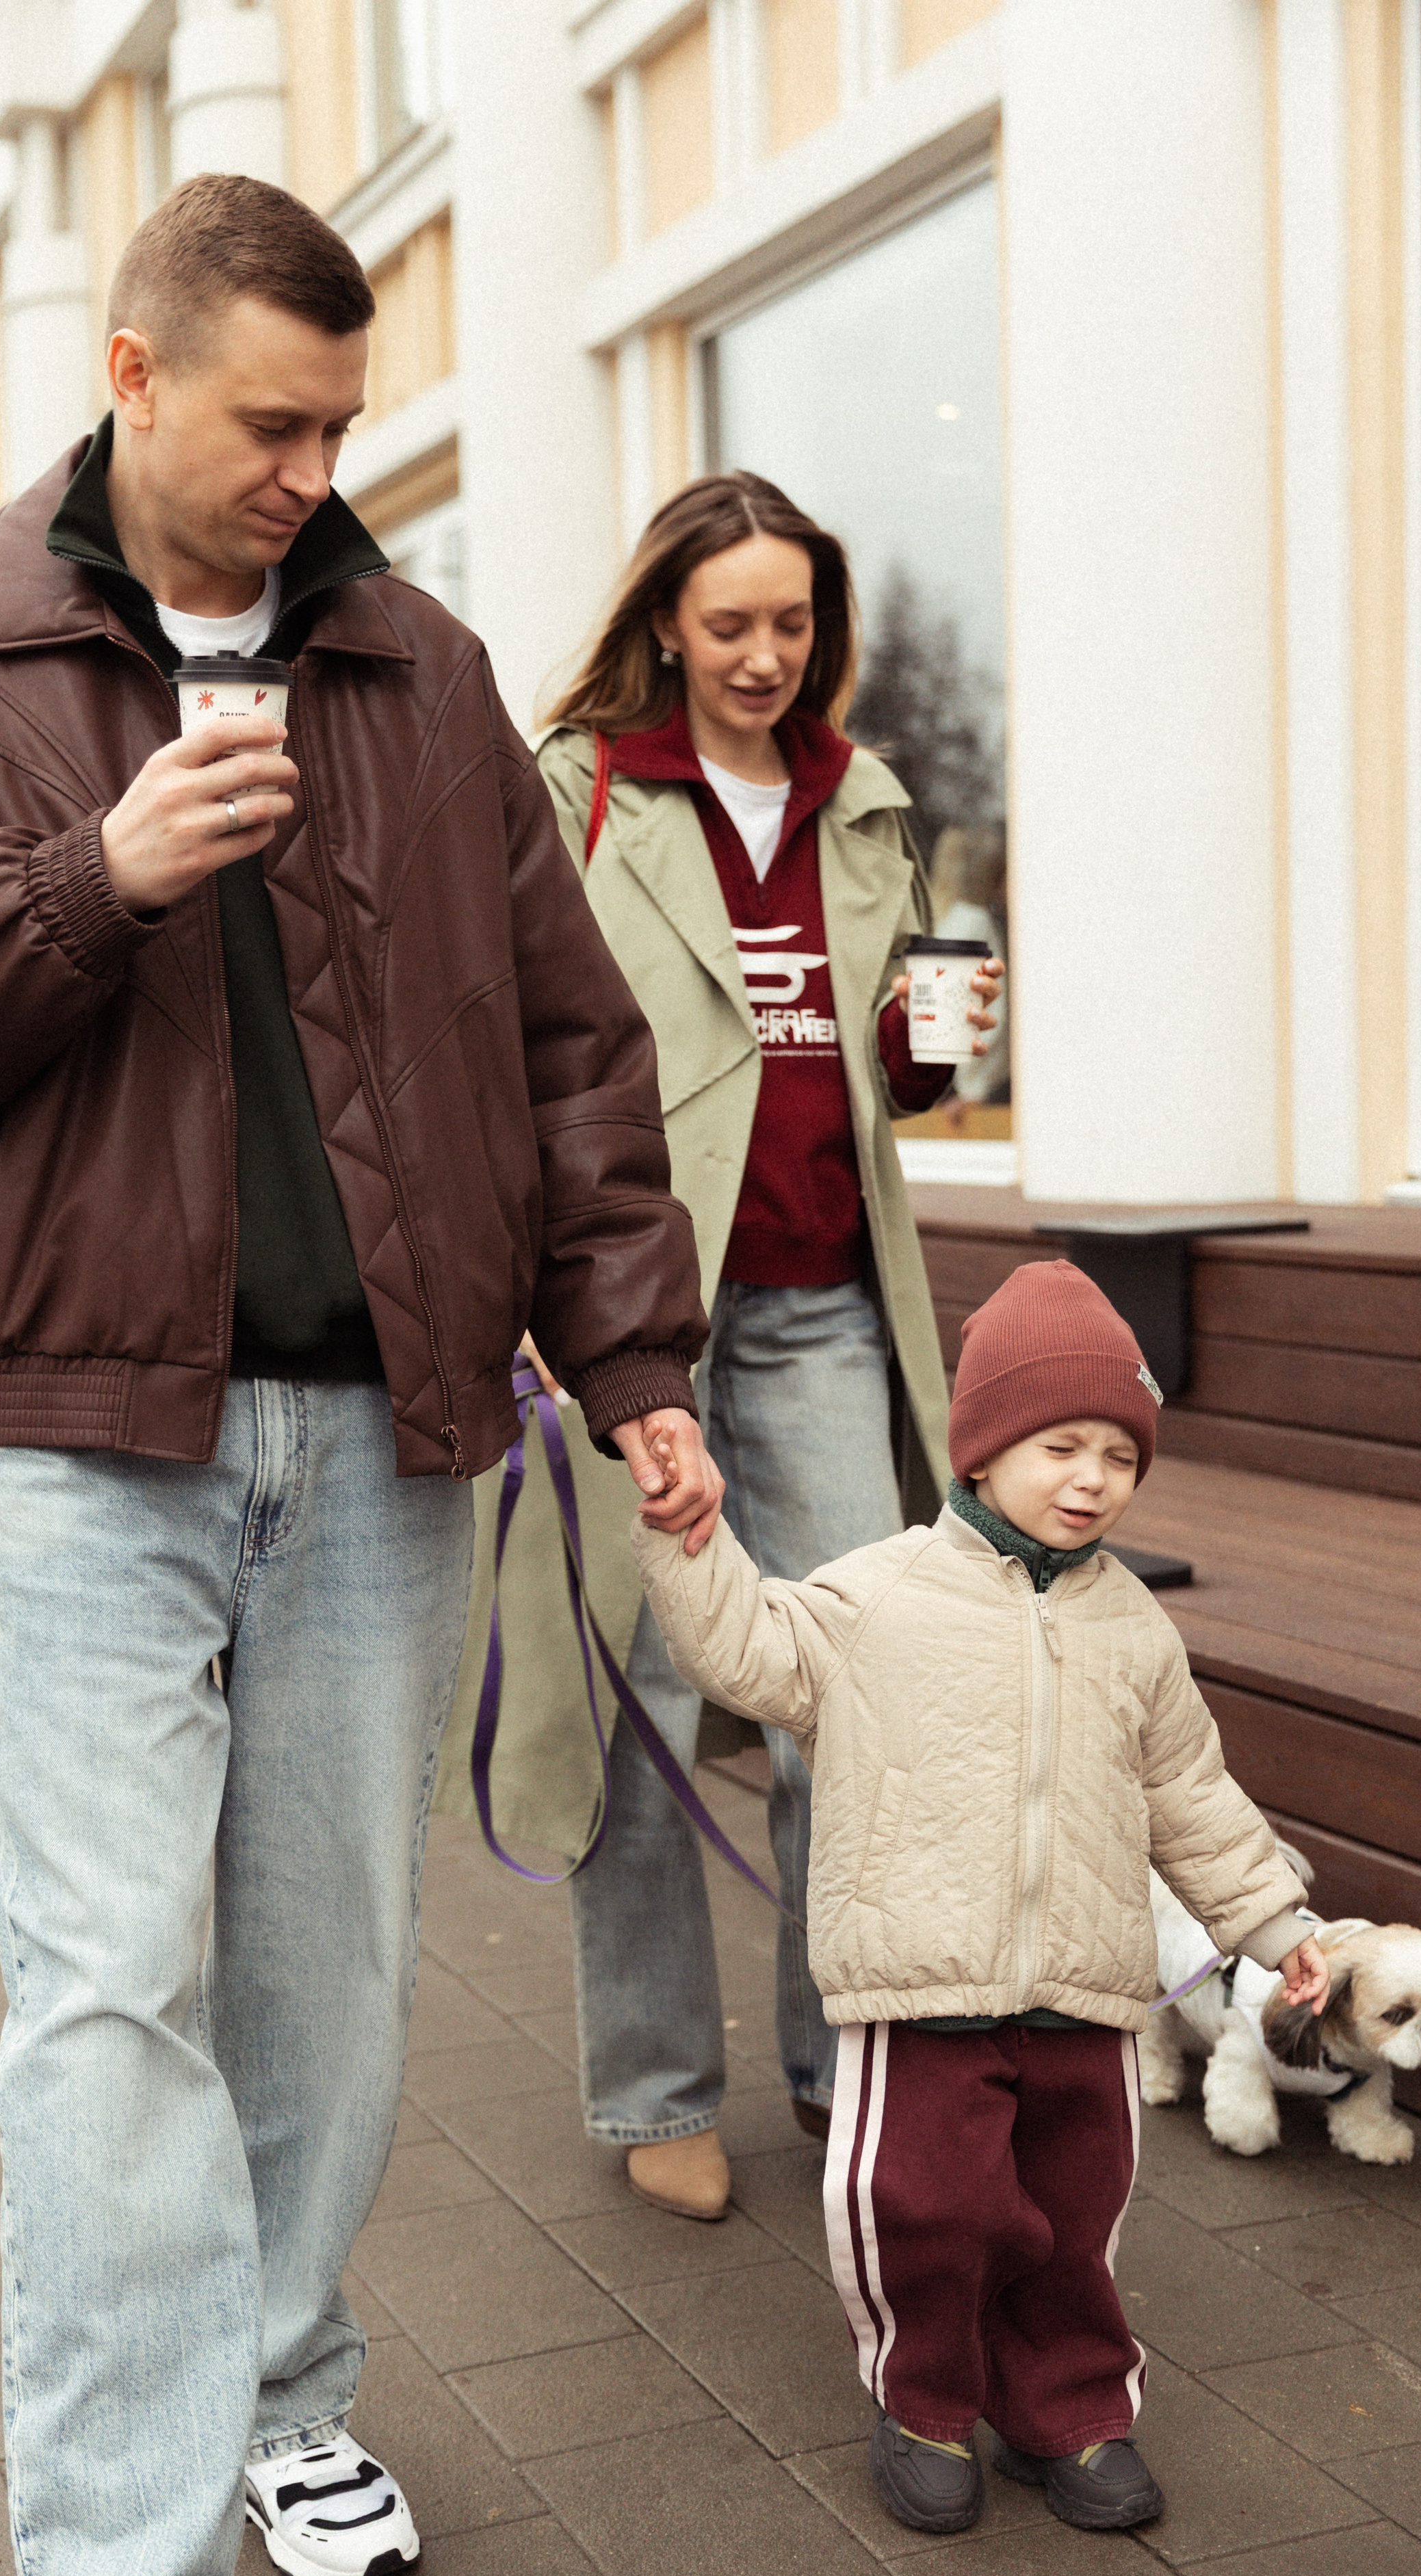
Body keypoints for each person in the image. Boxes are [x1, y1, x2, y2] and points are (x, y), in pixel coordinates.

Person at [0, 176, 718, 2576]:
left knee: (329, 1977)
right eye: (272, 421)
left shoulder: (417, 669)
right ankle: (122, 2573)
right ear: (132, 373)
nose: (316, 468)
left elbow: (570, 1051)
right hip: (73, 1438)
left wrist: (633, 1355)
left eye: (343, 422)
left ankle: (287, 2397)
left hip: (383, 1440)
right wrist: (88, 878)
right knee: (112, 2008)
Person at [436, 473, 1000, 2223]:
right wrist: (530, 1317)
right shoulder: (583, 790)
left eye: (794, 622)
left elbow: (892, 1059)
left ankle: (848, 2069)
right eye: (731, 622)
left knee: (853, 1692)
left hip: (826, 1303)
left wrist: (935, 1049)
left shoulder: (868, 807)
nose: (766, 656)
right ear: (665, 623)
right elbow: (507, 1053)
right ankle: (654, 2088)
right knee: (645, 1704)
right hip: (632, 1321)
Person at [630, 1258, 1328, 2536]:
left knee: (1074, 2222)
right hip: (922, 1987)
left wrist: (1275, 1927)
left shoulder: (1135, 1630)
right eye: (1060, 1446)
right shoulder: (879, 1593)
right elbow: (745, 1648)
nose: (1091, 1480)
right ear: (983, 1449)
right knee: (927, 2215)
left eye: (1121, 1457)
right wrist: (691, 1535)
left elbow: (1194, 1794)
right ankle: (926, 2402)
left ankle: (1072, 2411)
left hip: (1087, 1992)